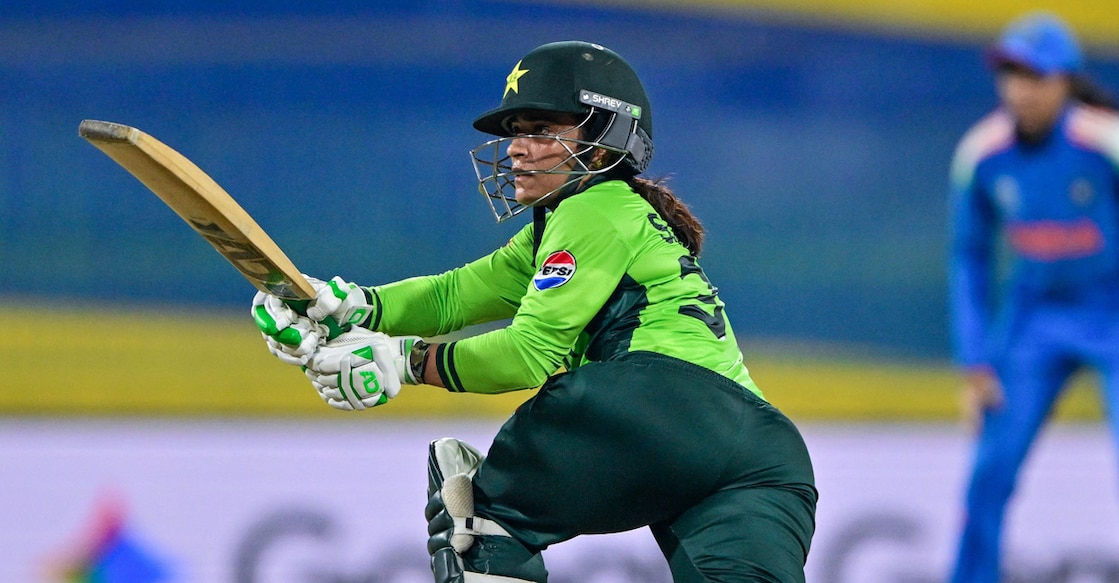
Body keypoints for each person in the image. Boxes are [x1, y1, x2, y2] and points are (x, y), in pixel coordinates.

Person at [252, 40, 817, 582]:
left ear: (603, 144)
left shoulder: (591, 208)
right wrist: (347, 308)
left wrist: (404, 361)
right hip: (764, 455)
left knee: (477, 519)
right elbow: (451, 296)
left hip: (655, 403)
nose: (518, 148)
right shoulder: (603, 217)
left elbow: (528, 356)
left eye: (542, 130)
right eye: (517, 134)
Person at [947, 12, 1119, 582]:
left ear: (1065, 80)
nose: (1020, 89)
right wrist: (976, 360)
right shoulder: (983, 153)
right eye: (1010, 74)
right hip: (1035, 320)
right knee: (988, 475)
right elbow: (968, 257)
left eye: (1035, 76)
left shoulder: (1103, 140)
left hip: (1113, 312)